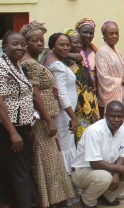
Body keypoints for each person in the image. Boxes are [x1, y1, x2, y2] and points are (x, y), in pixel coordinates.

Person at [19, 22, 75, 208]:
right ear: (25, 43)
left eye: (40, 40)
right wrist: (49, 121)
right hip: (42, 120)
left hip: (47, 117)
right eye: (33, 40)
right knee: (45, 160)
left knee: (50, 158)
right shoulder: (29, 63)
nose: (38, 44)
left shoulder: (35, 61)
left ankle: (52, 199)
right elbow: (35, 95)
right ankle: (45, 202)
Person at [0, 31, 38, 208]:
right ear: (5, 47)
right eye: (15, 44)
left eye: (22, 44)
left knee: (19, 171)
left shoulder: (17, 66)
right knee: (6, 173)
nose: (20, 48)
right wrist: (13, 133)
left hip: (21, 127)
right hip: (4, 130)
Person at [70, 101, 124, 208]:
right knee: (105, 177)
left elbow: (122, 155)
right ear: (106, 115)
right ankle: (87, 199)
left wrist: (117, 174)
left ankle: (107, 196)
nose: (117, 119)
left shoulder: (121, 129)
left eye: (120, 116)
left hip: (107, 168)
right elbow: (95, 163)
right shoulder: (94, 131)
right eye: (113, 116)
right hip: (82, 172)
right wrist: (120, 169)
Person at [44, 33, 78, 173]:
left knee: (66, 144)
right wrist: (73, 117)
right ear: (52, 46)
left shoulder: (56, 60)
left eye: (67, 45)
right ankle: (67, 182)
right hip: (64, 115)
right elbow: (61, 94)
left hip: (66, 114)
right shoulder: (57, 65)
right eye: (61, 44)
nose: (66, 48)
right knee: (65, 147)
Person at [62, 28, 100, 142]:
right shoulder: (65, 63)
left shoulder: (78, 61)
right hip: (78, 109)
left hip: (89, 108)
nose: (79, 45)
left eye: (79, 42)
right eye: (75, 42)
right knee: (82, 142)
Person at [96, 21, 124, 116]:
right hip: (109, 96)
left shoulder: (116, 50)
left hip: (119, 92)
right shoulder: (102, 52)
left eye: (116, 33)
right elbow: (103, 77)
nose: (114, 36)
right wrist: (120, 81)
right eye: (111, 33)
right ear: (104, 36)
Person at [74, 18, 98, 82]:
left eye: (91, 33)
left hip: (93, 90)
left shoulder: (95, 52)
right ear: (77, 32)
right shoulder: (72, 50)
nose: (88, 35)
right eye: (85, 32)